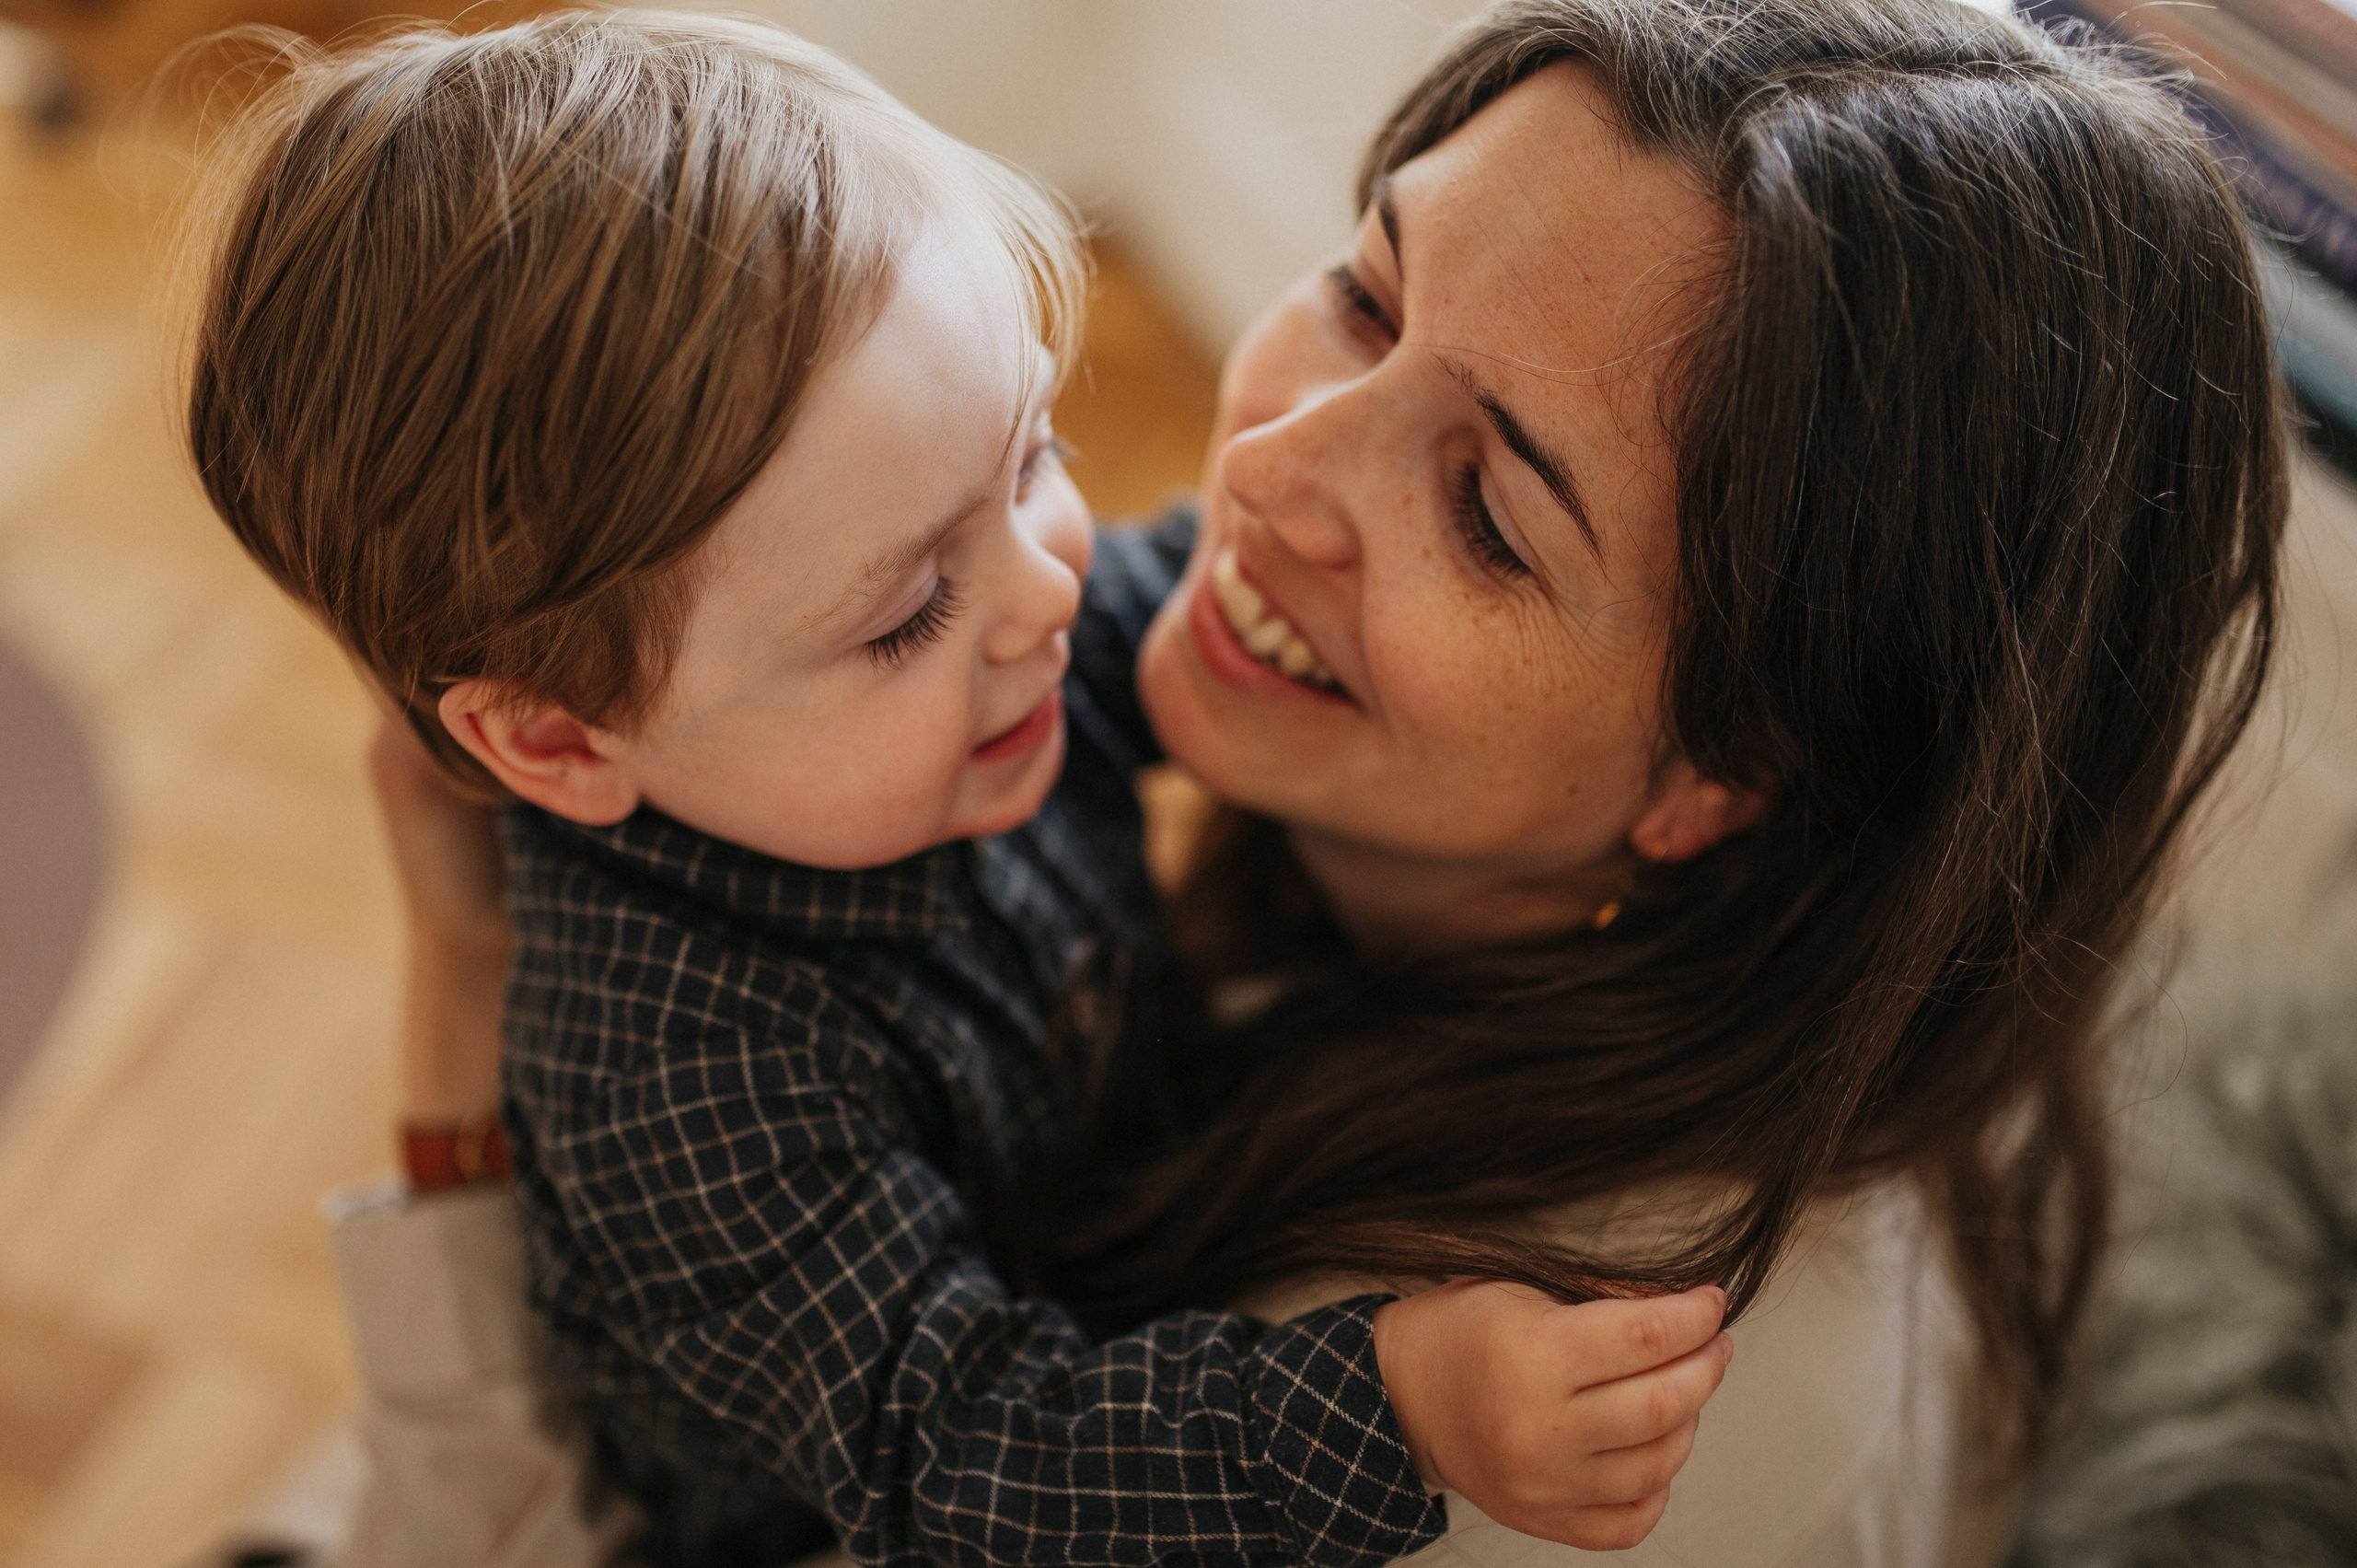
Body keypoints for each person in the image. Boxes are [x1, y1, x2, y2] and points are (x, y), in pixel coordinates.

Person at [203, 0, 2291, 1562]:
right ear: (556, 740)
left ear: (1731, 777)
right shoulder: (688, 1053)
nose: (1252, 482)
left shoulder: (1596, 1424)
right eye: (1364, 287)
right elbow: (945, 1445)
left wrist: (1392, 1412)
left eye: (1482, 508)